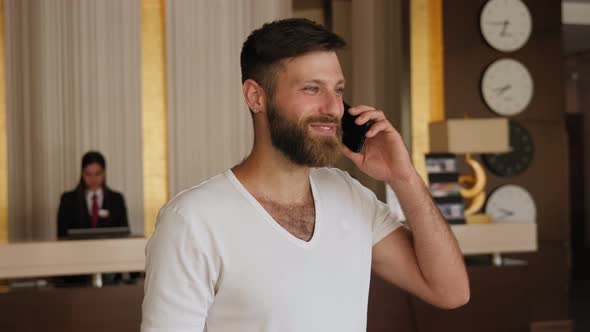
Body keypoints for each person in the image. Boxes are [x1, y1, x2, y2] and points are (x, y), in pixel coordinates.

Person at [141, 18, 469, 332]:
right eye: (312, 89)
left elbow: (450, 291)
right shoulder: (192, 221)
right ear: (256, 96)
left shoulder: (349, 195)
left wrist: (405, 177)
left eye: (338, 90)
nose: (334, 107)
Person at [57, 151, 129, 239]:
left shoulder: (117, 200)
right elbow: (62, 235)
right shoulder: (68, 200)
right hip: (76, 251)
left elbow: (124, 234)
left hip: (110, 250)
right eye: (88, 174)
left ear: (104, 174)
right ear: (82, 174)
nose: (93, 179)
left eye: (97, 174)